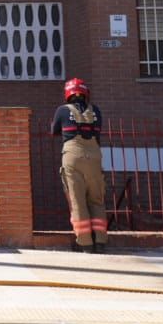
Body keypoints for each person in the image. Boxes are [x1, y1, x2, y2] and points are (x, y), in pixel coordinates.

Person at [51, 76, 107, 253]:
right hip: (94, 155)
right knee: (96, 200)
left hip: (73, 155)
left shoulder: (62, 110)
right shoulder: (96, 110)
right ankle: (100, 240)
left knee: (78, 201)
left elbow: (54, 131)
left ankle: (85, 243)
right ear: (85, 93)